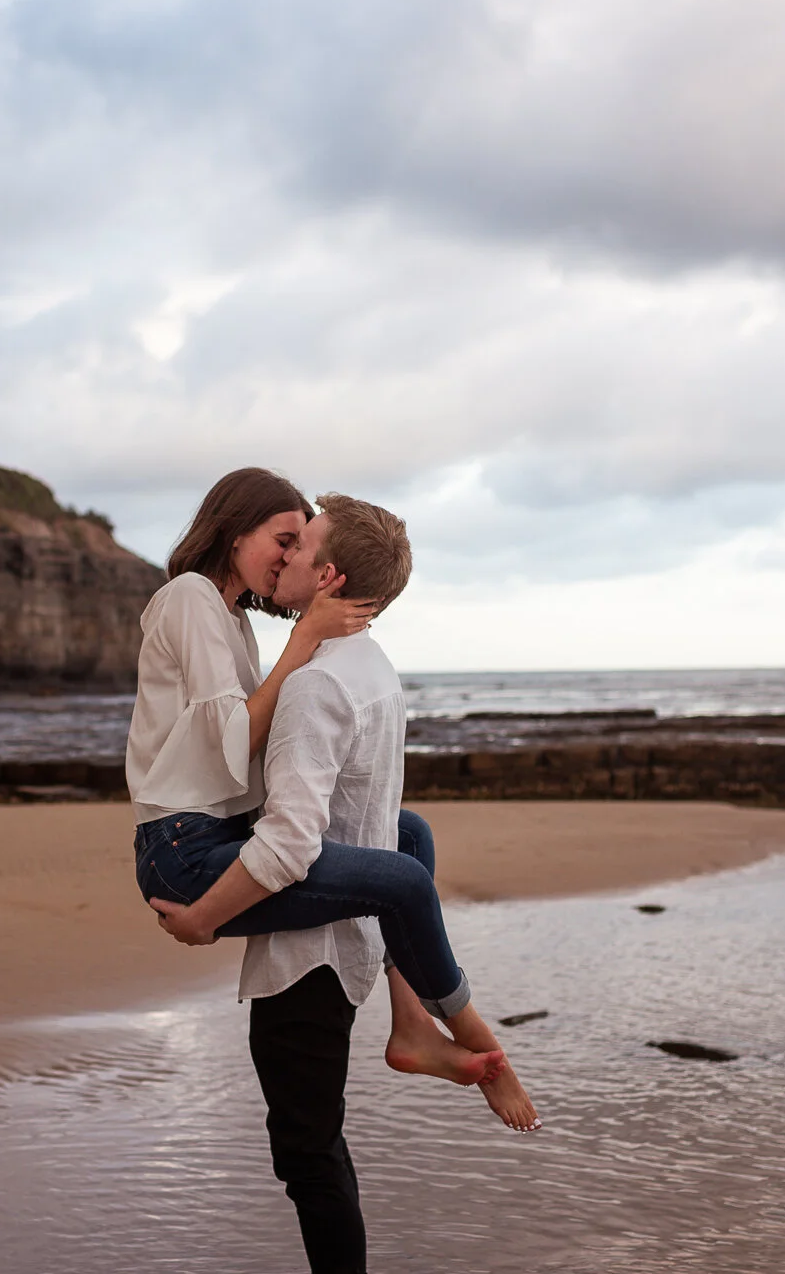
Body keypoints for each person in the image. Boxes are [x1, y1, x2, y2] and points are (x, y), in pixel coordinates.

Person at [129, 473, 538, 1270]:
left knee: (406, 833)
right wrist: (306, 644)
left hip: (218, 830)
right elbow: (228, 747)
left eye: (299, 542)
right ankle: (468, 1035)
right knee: (402, 878)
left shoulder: (235, 623)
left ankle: (415, 1021)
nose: (287, 554)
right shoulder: (188, 597)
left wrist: (306, 650)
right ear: (235, 529)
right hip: (184, 847)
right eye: (281, 537)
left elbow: (257, 753)